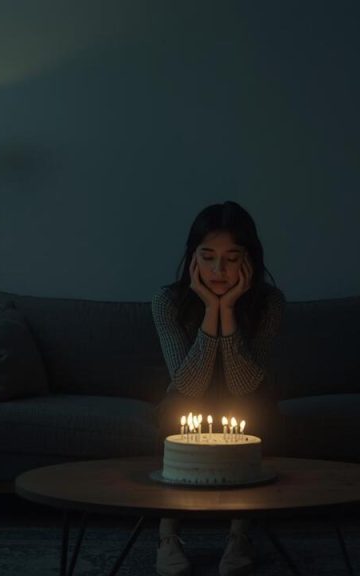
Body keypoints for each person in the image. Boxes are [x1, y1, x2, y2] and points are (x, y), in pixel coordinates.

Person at [151, 201, 285, 576]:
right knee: (174, 405)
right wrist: (212, 310)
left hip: (248, 404)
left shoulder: (270, 303)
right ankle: (167, 534)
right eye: (207, 257)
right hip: (187, 401)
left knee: (257, 408)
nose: (218, 270)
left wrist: (230, 312)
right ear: (192, 258)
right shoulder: (167, 302)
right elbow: (188, 384)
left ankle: (240, 534)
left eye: (231, 258)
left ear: (249, 259)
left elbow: (245, 385)